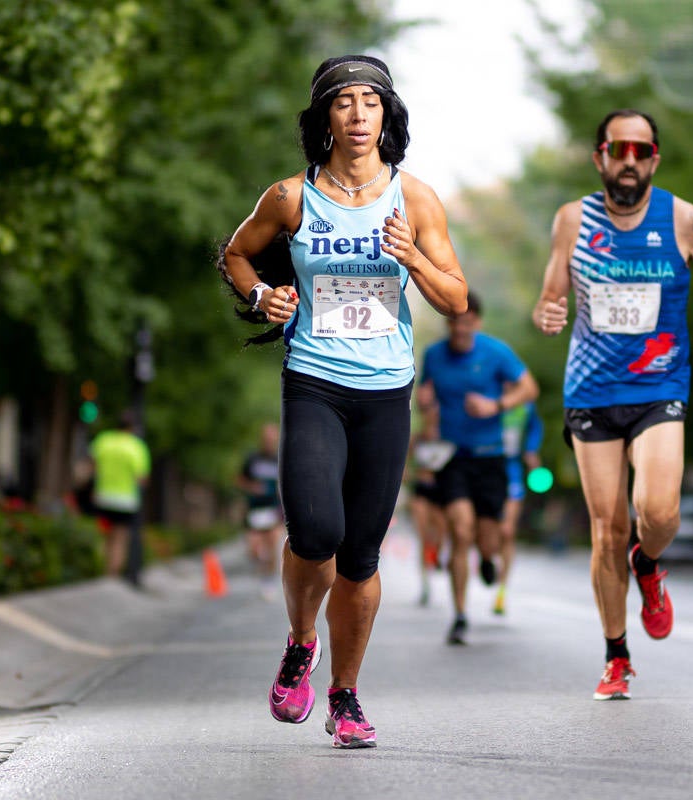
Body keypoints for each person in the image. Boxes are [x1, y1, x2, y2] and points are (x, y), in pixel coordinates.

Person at [220, 55, 468, 749]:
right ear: (324, 118)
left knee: (360, 555)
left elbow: (455, 298)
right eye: (344, 103)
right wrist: (263, 296)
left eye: (371, 102)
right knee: (316, 533)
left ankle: (346, 694)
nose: (358, 116)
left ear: (387, 115)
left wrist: (413, 258)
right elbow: (237, 254)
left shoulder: (414, 200)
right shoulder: (290, 197)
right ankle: (302, 642)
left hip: (387, 391)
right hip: (315, 381)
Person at [532, 109, 693, 700]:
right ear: (600, 156)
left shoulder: (683, 219)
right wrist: (547, 313)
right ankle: (616, 655)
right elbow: (551, 298)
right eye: (617, 150)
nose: (629, 161)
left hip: (659, 385)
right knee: (606, 530)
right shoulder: (573, 220)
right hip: (592, 391)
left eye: (640, 151)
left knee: (660, 513)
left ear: (654, 158)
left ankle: (647, 563)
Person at [419, 292, 538, 645]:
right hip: (452, 456)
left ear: (477, 322)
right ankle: (458, 615)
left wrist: (496, 404)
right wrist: (424, 401)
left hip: (490, 456)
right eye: (455, 319)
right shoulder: (434, 355)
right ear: (448, 322)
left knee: (490, 538)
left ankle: (487, 559)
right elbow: (426, 397)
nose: (461, 326)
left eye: (468, 320)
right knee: (460, 528)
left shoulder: (496, 352)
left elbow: (529, 389)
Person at [493, 399, 544, 615]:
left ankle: (501, 592)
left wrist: (531, 451)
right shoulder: (487, 393)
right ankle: (487, 558)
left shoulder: (525, 404)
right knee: (487, 533)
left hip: (512, 470)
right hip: (486, 468)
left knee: (507, 531)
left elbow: (535, 427)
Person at [89, 411, 151, 580]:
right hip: (125, 501)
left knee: (104, 536)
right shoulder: (136, 446)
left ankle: (99, 569)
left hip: (103, 497)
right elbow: (141, 479)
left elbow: (92, 467)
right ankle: (111, 574)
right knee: (120, 539)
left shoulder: (103, 440)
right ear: (131, 428)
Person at [408, 401, 453, 607]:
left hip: (441, 491)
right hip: (421, 491)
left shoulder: (448, 438)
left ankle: (436, 556)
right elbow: (404, 463)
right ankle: (425, 583)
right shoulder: (417, 440)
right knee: (424, 535)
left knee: (439, 534)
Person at [238, 422, 285, 598]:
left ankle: (268, 579)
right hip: (255, 510)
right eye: (267, 438)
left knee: (272, 545)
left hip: (273, 509)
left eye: (273, 438)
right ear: (262, 439)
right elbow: (240, 479)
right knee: (254, 548)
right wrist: (251, 487)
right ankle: (261, 564)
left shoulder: (280, 459)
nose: (269, 441)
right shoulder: (253, 459)